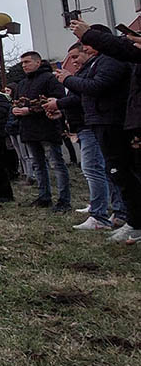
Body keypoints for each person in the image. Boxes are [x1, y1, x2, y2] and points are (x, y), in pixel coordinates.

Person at [71, 19, 141, 243]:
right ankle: (132, 220)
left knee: (116, 171)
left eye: (85, 44)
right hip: (107, 120)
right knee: (117, 172)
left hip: (112, 120)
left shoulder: (111, 60)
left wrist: (68, 80)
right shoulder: (99, 61)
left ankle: (125, 218)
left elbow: (97, 87)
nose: (84, 49)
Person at [46, 42, 126, 230]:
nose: (73, 62)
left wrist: (61, 98)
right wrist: (62, 111)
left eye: (75, 57)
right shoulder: (89, 69)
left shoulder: (98, 68)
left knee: (93, 169)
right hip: (87, 123)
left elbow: (86, 94)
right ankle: (115, 211)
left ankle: (100, 214)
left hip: (92, 124)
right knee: (104, 170)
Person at [13, 51, 72, 212]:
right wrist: (16, 110)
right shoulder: (22, 84)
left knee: (56, 164)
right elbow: (16, 102)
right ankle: (44, 196)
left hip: (47, 128)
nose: (24, 65)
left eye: (27, 62)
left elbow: (57, 100)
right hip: (28, 129)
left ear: (38, 62)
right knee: (38, 165)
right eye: (22, 63)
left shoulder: (50, 79)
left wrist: (30, 110)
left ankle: (63, 200)